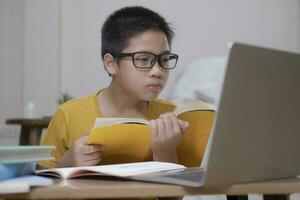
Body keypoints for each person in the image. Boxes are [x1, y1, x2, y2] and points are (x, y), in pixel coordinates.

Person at [38, 6, 189, 169]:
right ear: (110, 63)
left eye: (165, 59)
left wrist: (166, 154)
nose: (158, 71)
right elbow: (40, 186)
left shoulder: (174, 119)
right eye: (143, 59)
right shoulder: (69, 115)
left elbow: (175, 195)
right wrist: (67, 164)